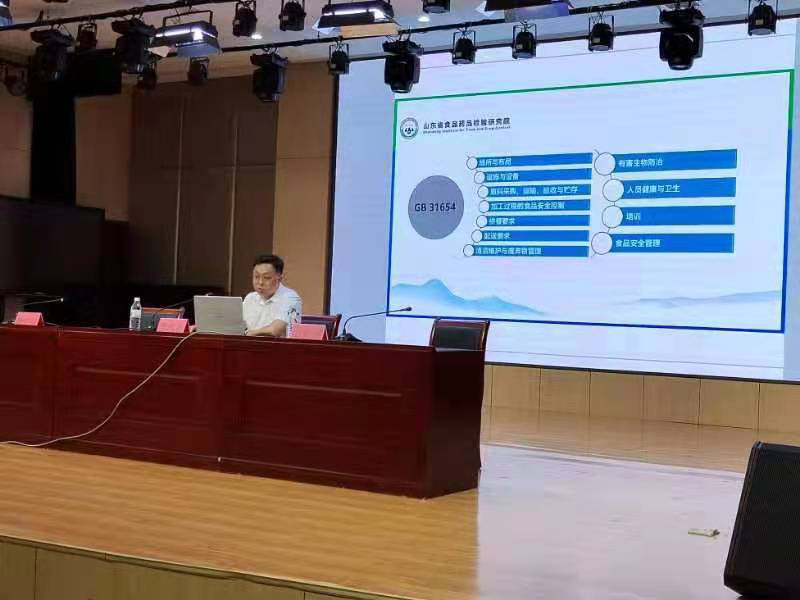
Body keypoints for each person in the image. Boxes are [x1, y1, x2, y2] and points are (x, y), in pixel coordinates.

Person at [243, 254, 302, 337]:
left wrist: (250, 333)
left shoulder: (290, 298)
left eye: (266, 277)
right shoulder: (250, 298)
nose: (260, 282)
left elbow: (275, 330)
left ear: (280, 278)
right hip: (248, 343)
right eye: (256, 277)